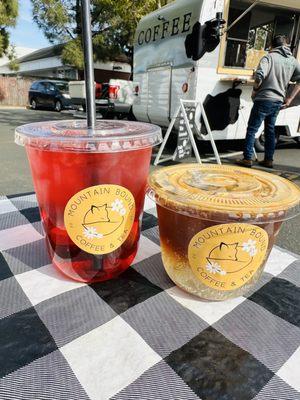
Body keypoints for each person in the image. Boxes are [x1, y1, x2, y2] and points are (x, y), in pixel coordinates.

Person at [237, 35, 300, 168]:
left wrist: (254, 90)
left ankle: (247, 159)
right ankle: (268, 160)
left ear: (272, 46)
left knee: (252, 129)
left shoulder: (268, 57)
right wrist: (289, 98)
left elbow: (260, 75)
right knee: (270, 130)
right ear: (286, 46)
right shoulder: (293, 61)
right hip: (278, 101)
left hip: (264, 98)